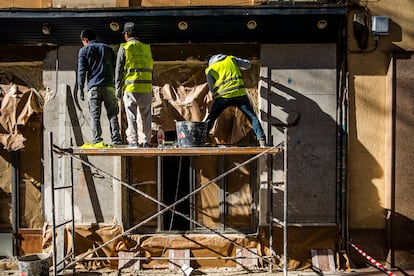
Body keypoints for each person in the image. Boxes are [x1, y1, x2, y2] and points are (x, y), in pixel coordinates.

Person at [205, 54, 266, 147]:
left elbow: (211, 89)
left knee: (211, 118)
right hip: (239, 94)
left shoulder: (210, 69)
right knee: (252, 117)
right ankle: (262, 140)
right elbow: (248, 65)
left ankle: (201, 138)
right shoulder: (230, 59)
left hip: (223, 96)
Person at [77, 28, 122, 148]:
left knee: (95, 115)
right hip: (109, 87)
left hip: (94, 87)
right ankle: (116, 139)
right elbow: (115, 68)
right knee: (113, 114)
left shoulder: (83, 51)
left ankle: (97, 140)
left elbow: (81, 71)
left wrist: (80, 88)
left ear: (85, 39)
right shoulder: (107, 49)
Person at [115, 22, 153, 148]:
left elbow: (119, 70)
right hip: (146, 88)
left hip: (131, 87)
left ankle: (133, 142)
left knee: (131, 115)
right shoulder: (146, 48)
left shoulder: (125, 48)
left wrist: (118, 89)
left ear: (126, 35)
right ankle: (146, 141)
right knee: (146, 117)